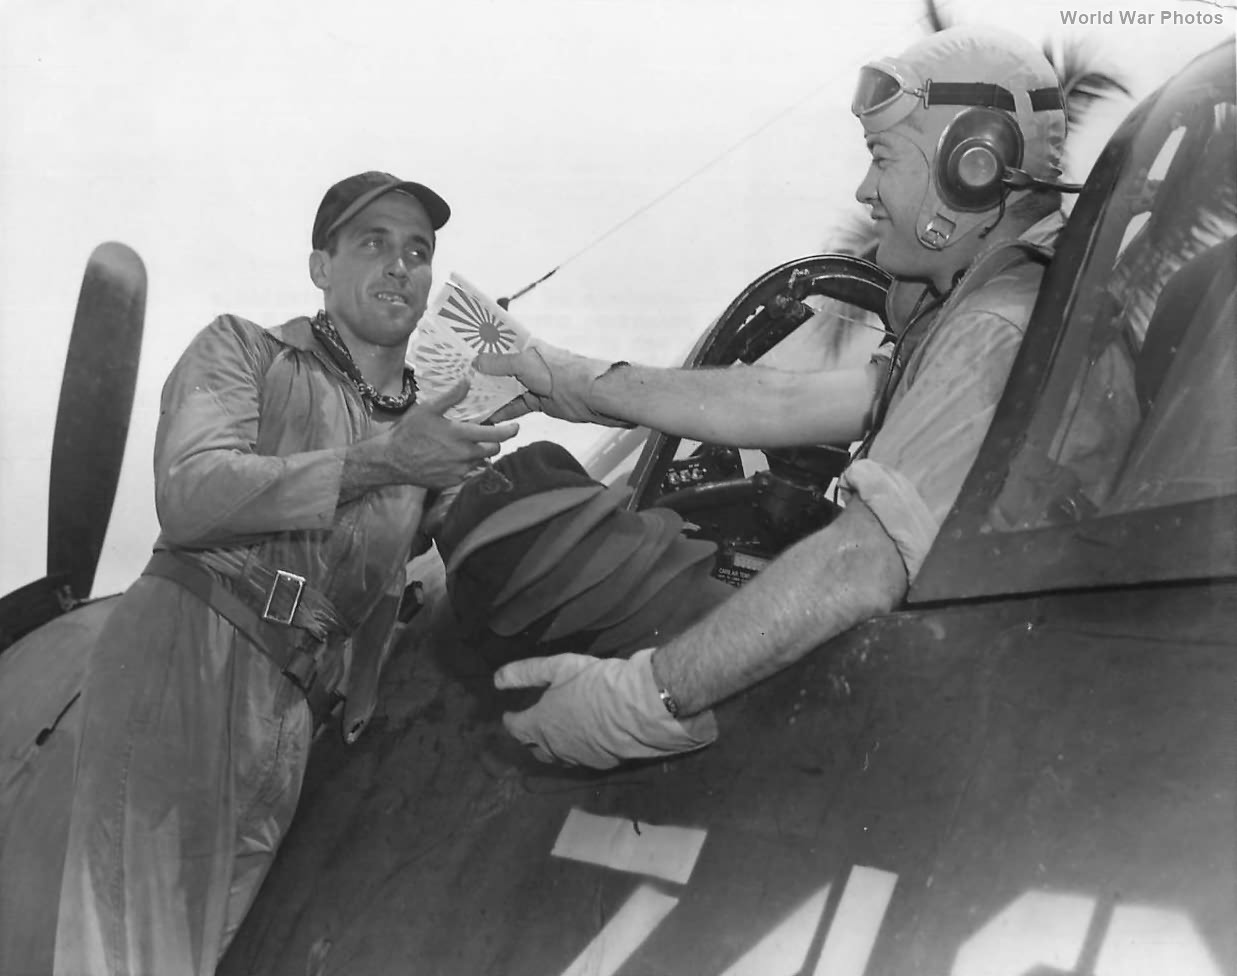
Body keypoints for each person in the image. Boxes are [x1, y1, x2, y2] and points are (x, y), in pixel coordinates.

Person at [476, 26, 1072, 769]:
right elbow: (780, 404)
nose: (864, 190)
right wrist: (569, 379)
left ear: (971, 168)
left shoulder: (993, 328)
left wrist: (646, 698)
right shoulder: (1011, 305)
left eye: (882, 158)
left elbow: (861, 562)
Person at [0, 171, 518, 974]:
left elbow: (428, 559)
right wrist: (384, 463)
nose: (399, 265)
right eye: (372, 243)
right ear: (321, 267)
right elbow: (190, 492)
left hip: (296, 705)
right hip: (191, 650)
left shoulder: (425, 428)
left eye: (418, 252)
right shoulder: (243, 350)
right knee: (131, 957)